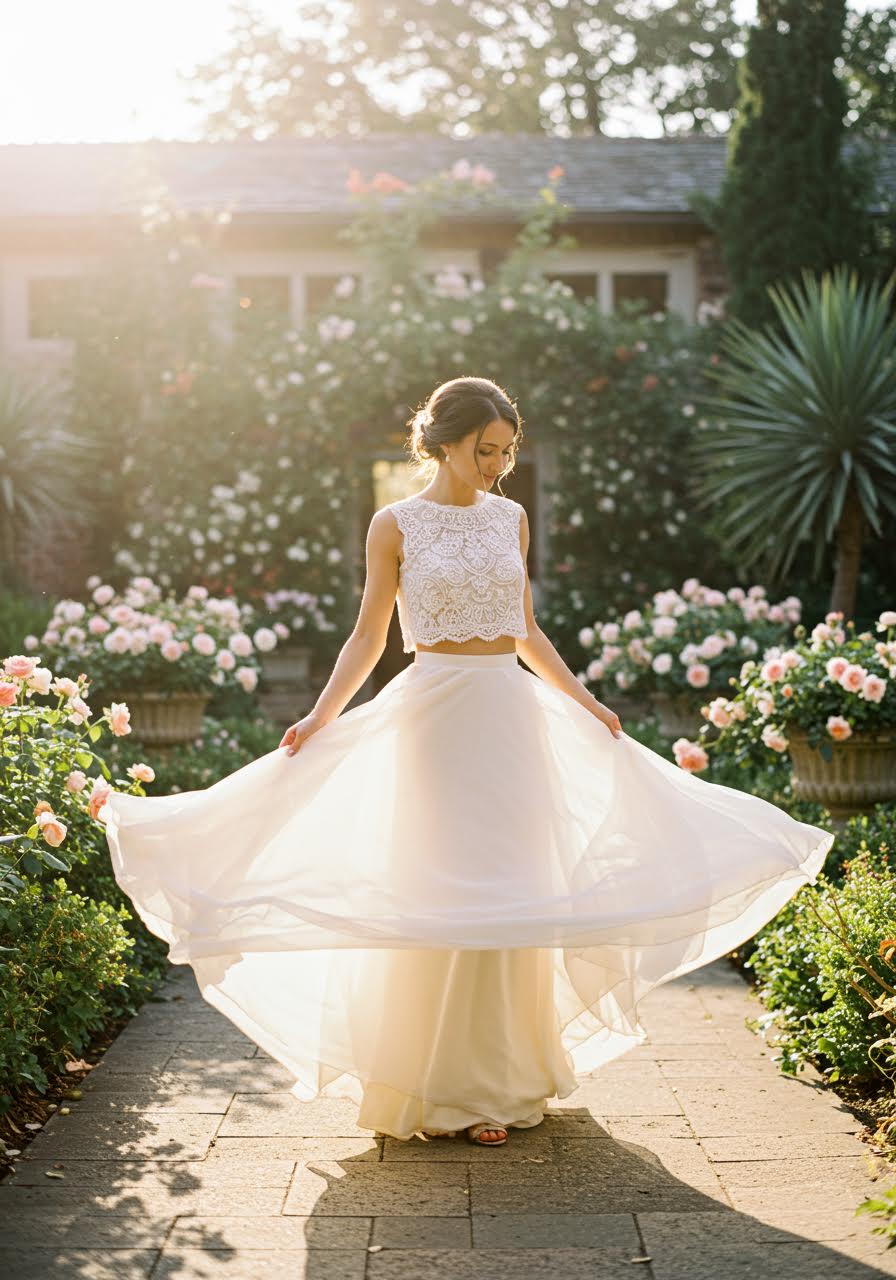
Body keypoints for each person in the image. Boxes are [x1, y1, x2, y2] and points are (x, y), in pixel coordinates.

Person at [104, 374, 835, 1149]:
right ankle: (433, 1086)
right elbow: (369, 637)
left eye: (508, 452)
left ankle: (503, 1083)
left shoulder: (511, 519)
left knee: (515, 891)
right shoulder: (395, 525)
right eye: (486, 450)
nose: (497, 465)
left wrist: (586, 703)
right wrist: (321, 714)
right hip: (433, 722)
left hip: (511, 718)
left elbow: (524, 629)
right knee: (442, 893)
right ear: (444, 442)